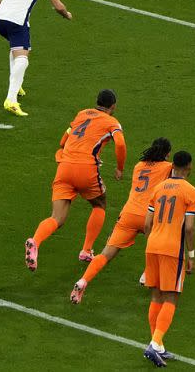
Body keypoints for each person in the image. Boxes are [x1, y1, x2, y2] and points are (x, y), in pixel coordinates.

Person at [24, 89, 126, 271]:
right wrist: (119, 168)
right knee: (99, 204)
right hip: (86, 168)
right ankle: (86, 250)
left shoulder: (81, 114)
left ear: (97, 102)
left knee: (57, 217)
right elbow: (120, 143)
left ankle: (35, 241)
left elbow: (63, 140)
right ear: (113, 106)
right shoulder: (112, 121)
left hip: (64, 168)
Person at [70, 138, 173, 304]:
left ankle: (83, 281)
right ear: (167, 153)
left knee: (106, 254)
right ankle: (148, 273)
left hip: (129, 214)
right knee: (161, 242)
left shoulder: (139, 166)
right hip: (150, 215)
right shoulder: (169, 168)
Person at [142, 151, 195, 367]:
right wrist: (191, 255)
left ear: (173, 165)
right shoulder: (191, 192)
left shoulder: (158, 188)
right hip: (171, 248)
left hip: (152, 246)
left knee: (156, 296)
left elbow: (146, 224)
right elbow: (190, 228)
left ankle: (158, 345)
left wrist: (152, 242)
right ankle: (155, 344)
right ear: (189, 166)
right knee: (172, 297)